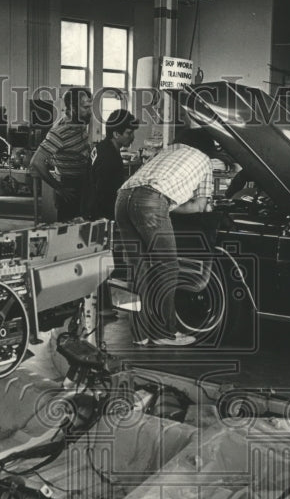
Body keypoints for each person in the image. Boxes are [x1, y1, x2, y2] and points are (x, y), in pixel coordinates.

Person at [114, 128, 215, 347]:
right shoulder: (205, 160)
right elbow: (199, 205)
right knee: (167, 268)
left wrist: (162, 204)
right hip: (151, 200)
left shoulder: (167, 151)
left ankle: (140, 335)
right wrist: (167, 207)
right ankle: (165, 333)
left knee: (138, 269)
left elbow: (143, 187)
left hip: (122, 198)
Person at [29, 87, 93, 221]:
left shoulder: (80, 123)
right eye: (86, 107)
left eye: (90, 107)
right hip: (70, 187)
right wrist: (58, 188)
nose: (90, 112)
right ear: (72, 109)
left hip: (85, 183)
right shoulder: (59, 132)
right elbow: (36, 162)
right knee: (68, 231)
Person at [88, 109, 140, 221]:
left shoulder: (102, 146)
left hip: (92, 208)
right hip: (100, 215)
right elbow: (105, 194)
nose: (132, 137)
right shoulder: (110, 157)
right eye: (129, 133)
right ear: (116, 134)